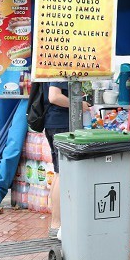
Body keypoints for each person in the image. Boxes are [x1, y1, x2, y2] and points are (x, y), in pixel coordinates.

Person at [45, 82, 90, 239]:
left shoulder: (49, 65)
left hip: (54, 123)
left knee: (59, 172)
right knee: (62, 172)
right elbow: (54, 96)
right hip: (61, 124)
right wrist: (79, 104)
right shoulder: (60, 66)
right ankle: (56, 224)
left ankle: (55, 221)